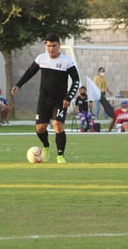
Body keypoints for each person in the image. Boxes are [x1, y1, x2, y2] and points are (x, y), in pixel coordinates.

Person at [11, 33, 80, 163]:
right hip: (44, 100)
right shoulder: (41, 58)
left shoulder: (67, 61)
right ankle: (46, 147)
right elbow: (29, 72)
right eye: (48, 46)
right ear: (45, 45)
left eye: (54, 46)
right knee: (40, 128)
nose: (51, 49)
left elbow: (76, 80)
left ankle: (60, 156)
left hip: (60, 100)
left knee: (57, 125)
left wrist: (68, 98)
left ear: (59, 46)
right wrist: (18, 85)